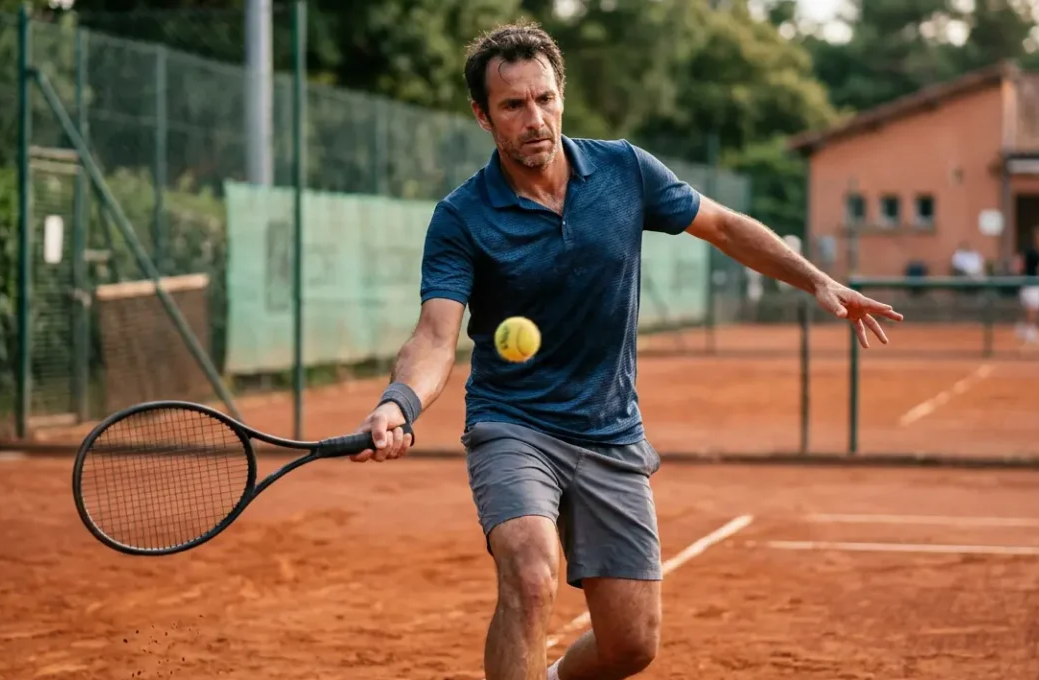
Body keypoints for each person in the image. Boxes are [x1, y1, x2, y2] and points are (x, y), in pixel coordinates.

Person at [346, 22, 904, 680]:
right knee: (530, 574)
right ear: (482, 115)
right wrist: (398, 404)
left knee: (630, 645)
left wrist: (817, 280)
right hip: (514, 424)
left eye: (545, 99)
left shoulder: (622, 170)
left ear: (561, 96)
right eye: (513, 105)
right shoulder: (463, 217)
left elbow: (722, 226)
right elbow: (436, 336)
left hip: (610, 430)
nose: (534, 118)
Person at [1013, 226, 1039, 345]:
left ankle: (1029, 330)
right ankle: (1030, 332)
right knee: (1032, 309)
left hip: (1032, 285)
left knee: (1036, 309)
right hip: (1031, 285)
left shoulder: (1034, 252)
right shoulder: (1034, 253)